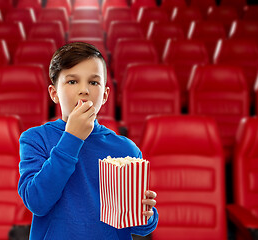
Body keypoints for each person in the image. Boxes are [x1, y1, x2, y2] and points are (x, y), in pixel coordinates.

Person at [17, 42, 158, 239]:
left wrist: (146, 214)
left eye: (94, 82)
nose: (84, 90)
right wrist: (72, 138)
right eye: (72, 81)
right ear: (54, 93)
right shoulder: (35, 139)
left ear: (106, 95)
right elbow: (37, 202)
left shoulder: (126, 148)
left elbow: (139, 226)